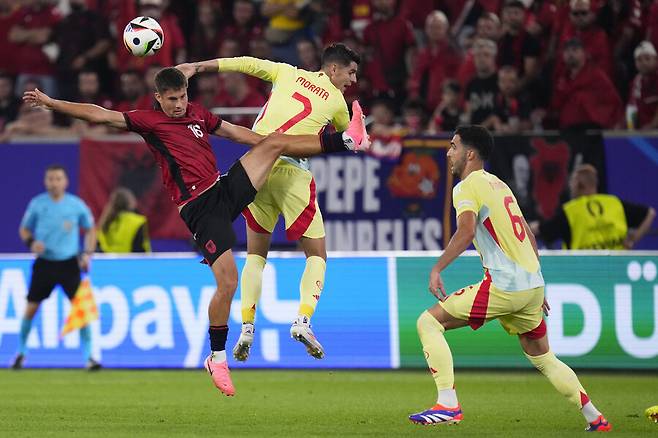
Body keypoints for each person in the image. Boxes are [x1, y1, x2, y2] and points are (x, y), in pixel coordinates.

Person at [23, 66, 368, 396]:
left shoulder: (198, 113)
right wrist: (52, 103)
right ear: (158, 98)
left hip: (222, 190)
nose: (178, 104)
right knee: (228, 282)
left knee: (274, 143)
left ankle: (346, 141)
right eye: (171, 99)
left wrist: (270, 144)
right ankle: (217, 358)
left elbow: (238, 134)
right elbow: (99, 114)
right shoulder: (149, 121)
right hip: (199, 210)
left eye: (182, 97)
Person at [408, 126, 611, 432]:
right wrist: (537, 286)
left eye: (453, 146)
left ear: (470, 154)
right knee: (543, 357)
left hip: (504, 285)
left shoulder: (465, 187)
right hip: (531, 286)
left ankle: (447, 403)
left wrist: (437, 269)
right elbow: (528, 235)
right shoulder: (500, 184)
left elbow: (465, 231)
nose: (448, 152)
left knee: (428, 322)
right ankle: (595, 416)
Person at [177, 43, 361, 363]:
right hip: (293, 173)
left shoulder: (285, 72)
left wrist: (197, 65)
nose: (353, 80)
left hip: (256, 168)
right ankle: (303, 320)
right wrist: (362, 135)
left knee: (255, 254)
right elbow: (349, 140)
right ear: (333, 69)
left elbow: (244, 62)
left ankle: (247, 327)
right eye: (351, 72)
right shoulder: (336, 101)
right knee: (316, 254)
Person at [12, 164, 99, 370]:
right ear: (45, 181)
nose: (54, 183)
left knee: (80, 311)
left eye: (58, 179)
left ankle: (89, 358)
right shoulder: (37, 204)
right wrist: (32, 243)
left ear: (65, 182)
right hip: (44, 264)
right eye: (50, 179)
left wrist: (87, 254)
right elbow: (24, 229)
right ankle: (21, 353)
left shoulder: (76, 205)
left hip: (69, 263)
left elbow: (90, 229)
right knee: (30, 309)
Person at [531, 164, 656, 250]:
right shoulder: (614, 203)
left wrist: (525, 226)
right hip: (619, 267)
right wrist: (633, 239)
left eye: (572, 184)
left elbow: (542, 230)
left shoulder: (572, 211)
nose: (571, 188)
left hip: (585, 270)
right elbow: (650, 213)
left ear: (580, 185)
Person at [97, 188, 151, 253]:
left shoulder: (104, 221)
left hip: (108, 262)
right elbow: (141, 249)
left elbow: (99, 247)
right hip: (130, 262)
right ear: (130, 203)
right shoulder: (138, 221)